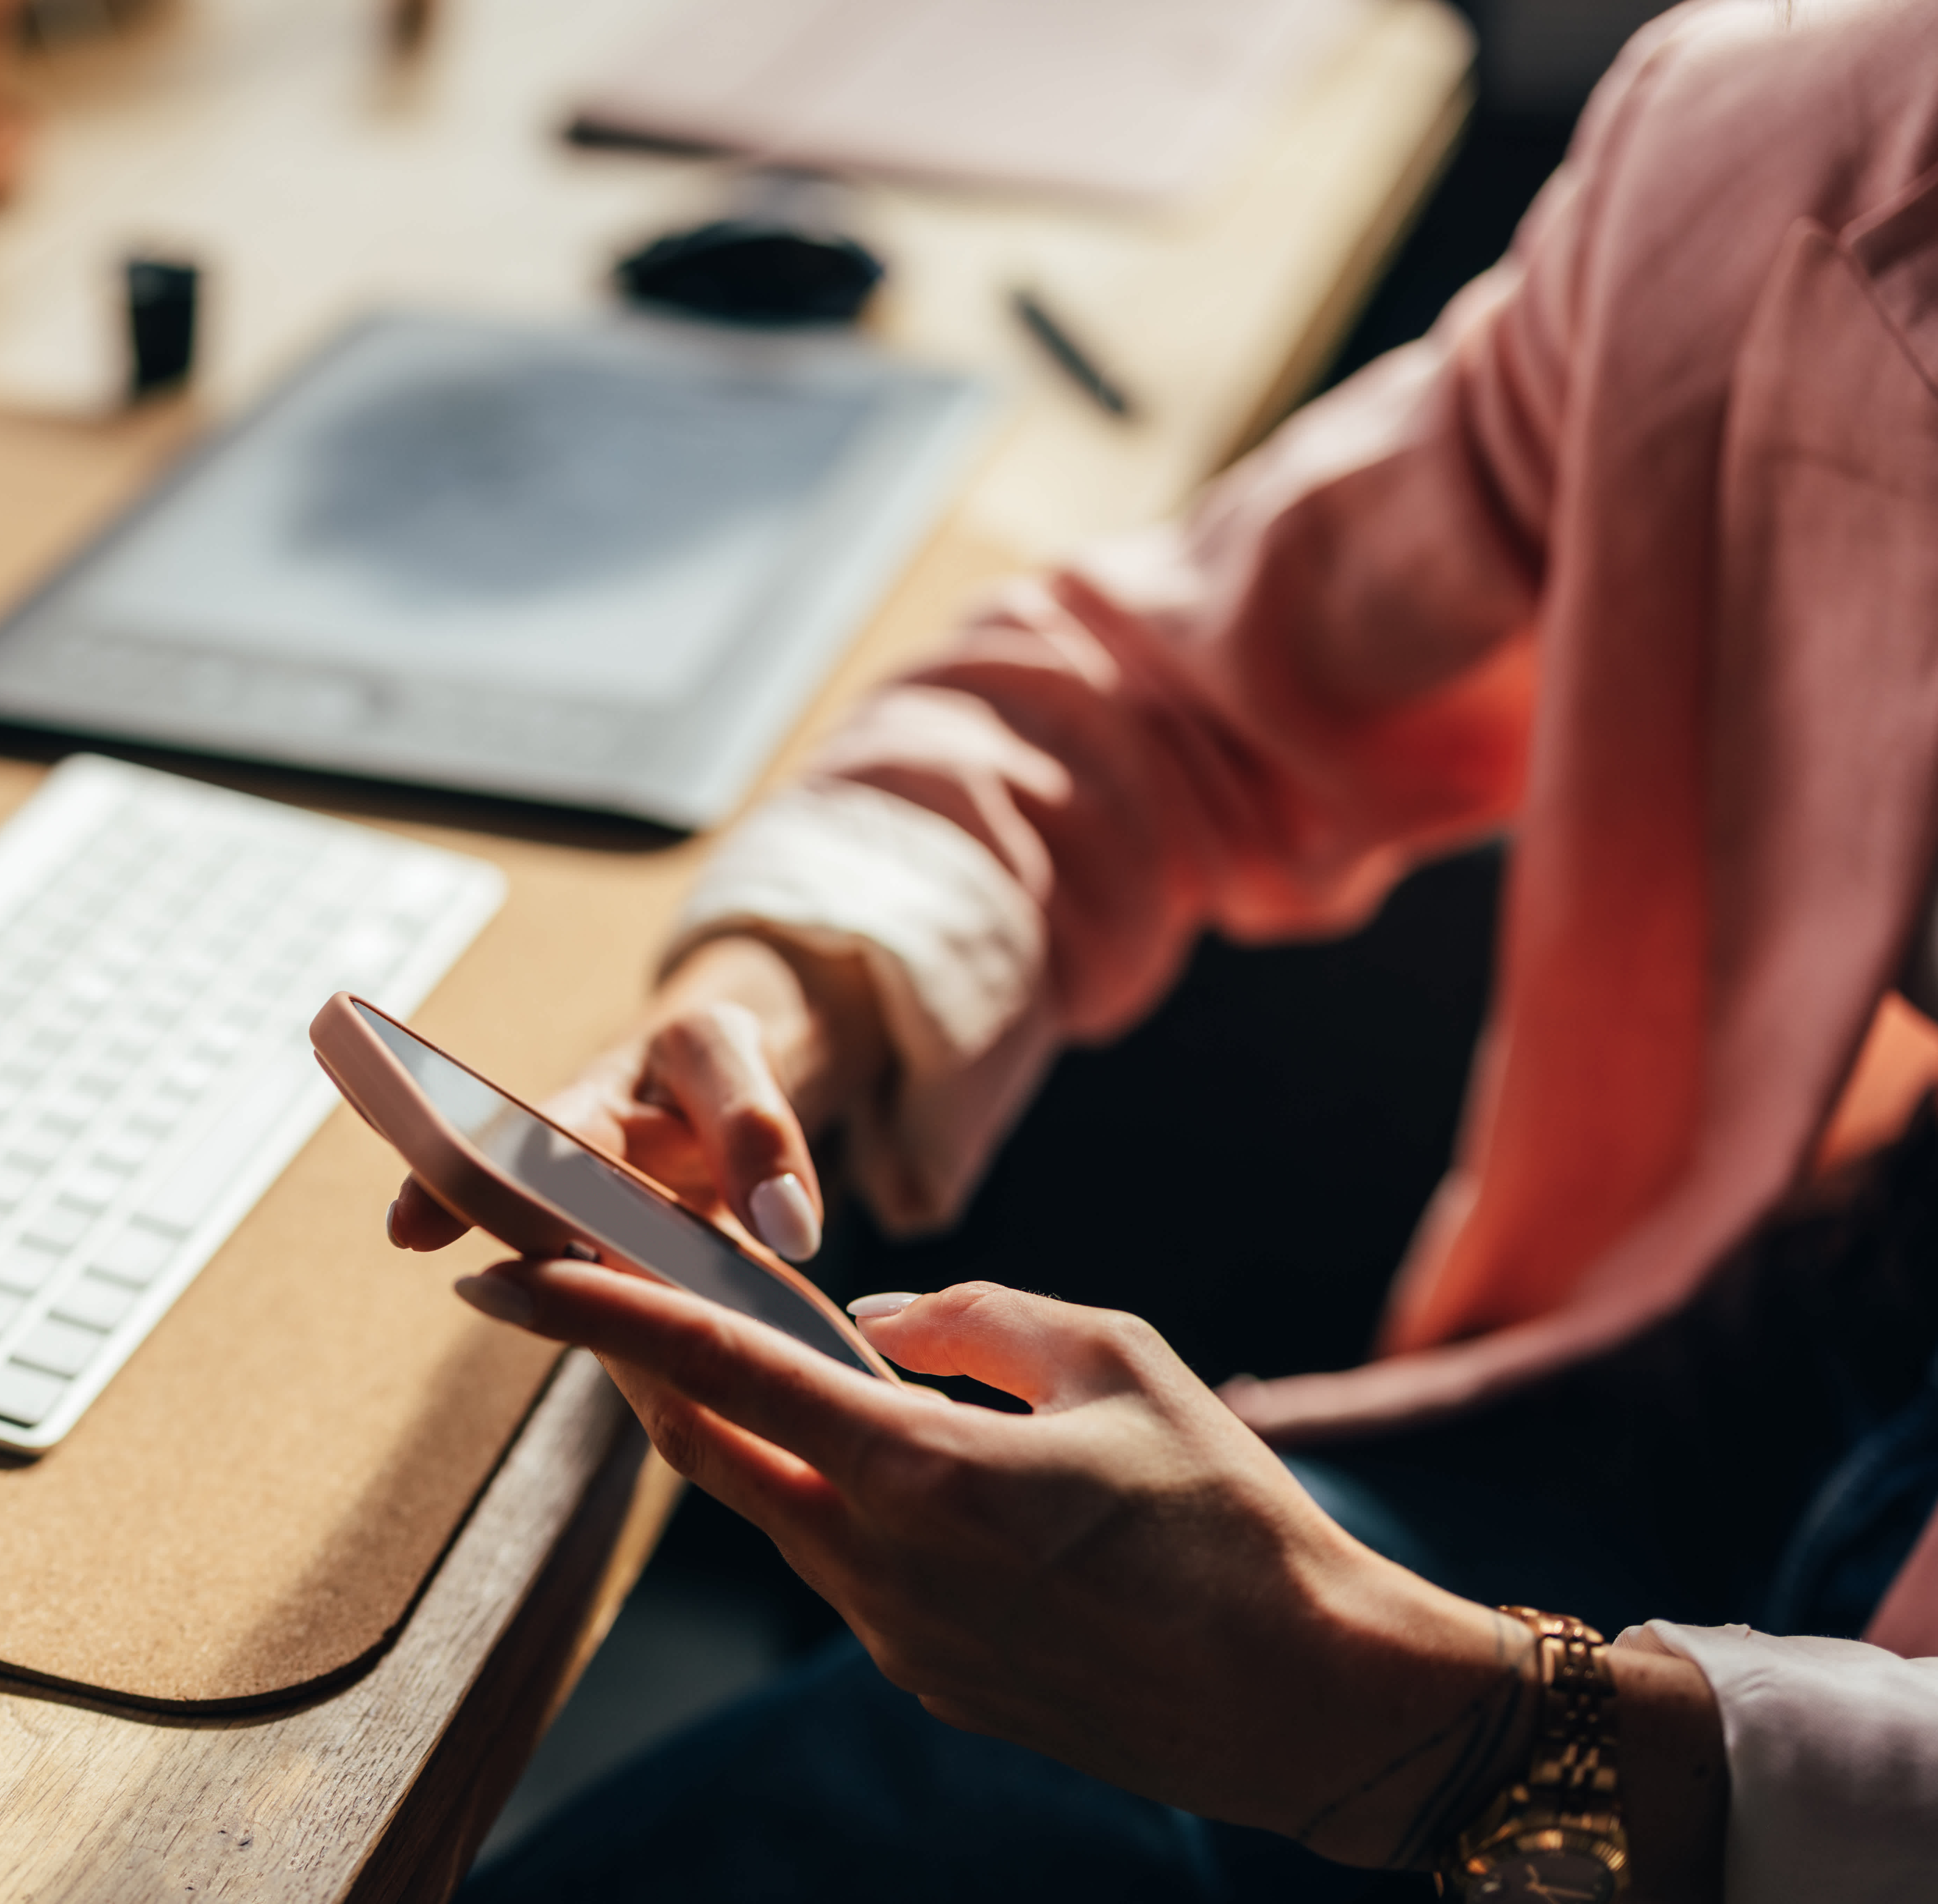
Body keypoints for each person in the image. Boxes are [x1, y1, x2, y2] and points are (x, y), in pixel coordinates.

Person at [391, 2, 1938, 1897]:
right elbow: (1176, 691)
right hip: (1717, 1404)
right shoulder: (1797, 124)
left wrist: (1430, 1734)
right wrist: (795, 994)